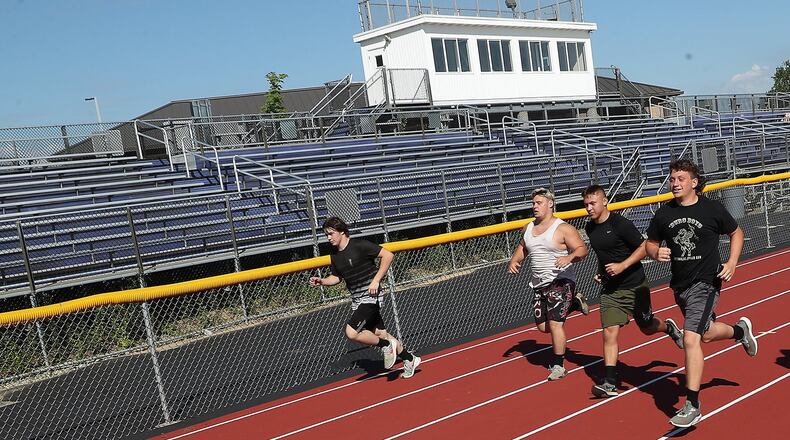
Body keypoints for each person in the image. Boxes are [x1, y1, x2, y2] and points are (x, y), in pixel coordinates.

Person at [645, 159, 757, 428]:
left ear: (694, 183)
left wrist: (731, 263)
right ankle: (740, 331)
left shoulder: (711, 209)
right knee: (705, 333)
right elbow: (650, 243)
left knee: (691, 337)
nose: (674, 183)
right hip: (680, 286)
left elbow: (737, 232)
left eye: (680, 179)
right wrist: (655, 252)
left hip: (706, 283)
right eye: (672, 179)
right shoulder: (664, 214)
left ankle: (692, 404)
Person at [581, 185, 684, 398]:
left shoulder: (621, 224)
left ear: (604, 201)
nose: (589, 208)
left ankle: (669, 328)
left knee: (647, 327)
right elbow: (604, 255)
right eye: (586, 205)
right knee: (609, 331)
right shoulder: (590, 229)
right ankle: (610, 382)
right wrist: (601, 272)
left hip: (636, 286)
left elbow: (644, 246)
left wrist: (622, 266)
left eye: (593, 203)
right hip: (611, 289)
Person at [309, 217, 421, 378]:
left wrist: (376, 281)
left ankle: (385, 346)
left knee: (351, 333)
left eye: (331, 234)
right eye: (326, 235)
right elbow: (337, 277)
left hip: (371, 297)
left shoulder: (360, 246)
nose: (328, 238)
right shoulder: (334, 255)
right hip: (357, 300)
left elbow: (388, 255)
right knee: (381, 333)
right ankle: (410, 359)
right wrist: (322, 281)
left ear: (342, 231)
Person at [508, 188, 590, 381]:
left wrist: (569, 257)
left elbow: (582, 250)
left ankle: (559, 365)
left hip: (560, 280)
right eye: (533, 203)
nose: (534, 206)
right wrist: (514, 261)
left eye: (539, 203)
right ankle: (575, 304)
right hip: (539, 283)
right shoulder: (528, 228)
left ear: (550, 204)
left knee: (555, 324)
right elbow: (523, 246)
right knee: (543, 327)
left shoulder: (563, 228)